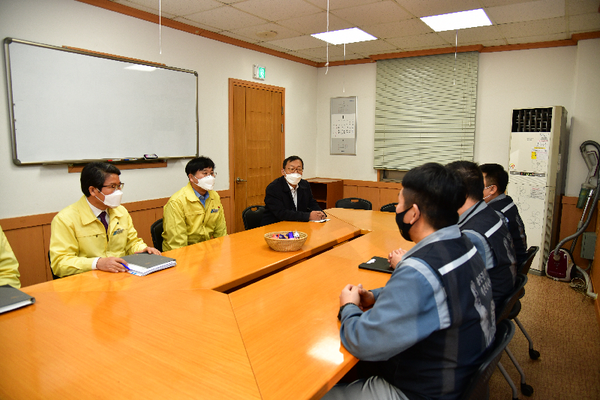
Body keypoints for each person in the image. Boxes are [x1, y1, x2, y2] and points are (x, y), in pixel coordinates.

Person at [324, 163, 495, 400]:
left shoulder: (419, 269)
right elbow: (432, 291)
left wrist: (349, 307)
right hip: (462, 373)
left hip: (423, 390)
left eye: (399, 202)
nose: (396, 208)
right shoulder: (465, 244)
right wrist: (375, 295)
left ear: (413, 213)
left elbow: (362, 341)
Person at [49, 162, 160, 278]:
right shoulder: (65, 219)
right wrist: (97, 263)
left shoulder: (121, 211)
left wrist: (143, 249)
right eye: (112, 186)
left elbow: (131, 242)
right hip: (87, 283)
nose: (118, 191)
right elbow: (60, 264)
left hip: (120, 277)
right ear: (92, 190)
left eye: (119, 185)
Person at [446, 161, 517, 312]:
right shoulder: (489, 214)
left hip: (481, 312)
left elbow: (450, 284)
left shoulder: (471, 235)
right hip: (499, 293)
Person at [162, 156, 227, 251]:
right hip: (183, 254)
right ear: (191, 177)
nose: (210, 177)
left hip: (206, 250)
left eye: (212, 173)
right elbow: (177, 244)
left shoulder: (214, 196)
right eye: (205, 173)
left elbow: (221, 231)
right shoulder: (177, 202)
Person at [480, 163, 528, 267]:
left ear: (492, 189)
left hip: (510, 265)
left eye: (478, 185)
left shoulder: (496, 213)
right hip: (517, 257)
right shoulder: (507, 202)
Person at [260, 155, 326, 225]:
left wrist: (320, 213)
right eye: (292, 169)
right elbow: (281, 213)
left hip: (296, 224)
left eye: (299, 169)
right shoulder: (273, 188)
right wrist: (308, 216)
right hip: (275, 226)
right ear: (283, 171)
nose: (295, 172)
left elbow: (311, 202)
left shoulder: (304, 184)